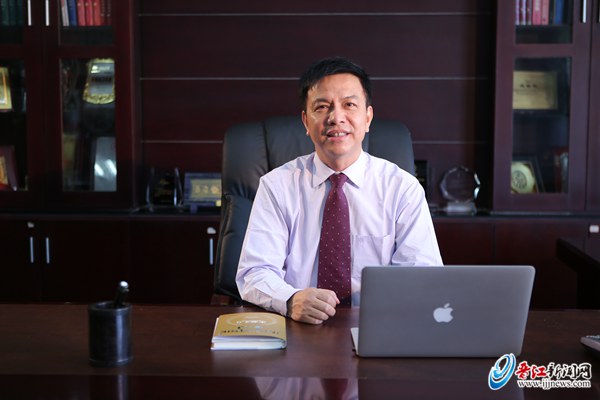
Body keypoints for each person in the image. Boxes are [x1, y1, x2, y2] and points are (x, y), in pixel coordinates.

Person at [236, 57, 443, 325]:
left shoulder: (402, 189)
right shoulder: (277, 186)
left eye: (349, 105)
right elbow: (254, 273)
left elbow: (423, 276)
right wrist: (290, 299)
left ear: (367, 118)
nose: (336, 117)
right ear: (306, 121)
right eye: (322, 107)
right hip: (297, 325)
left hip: (377, 327)